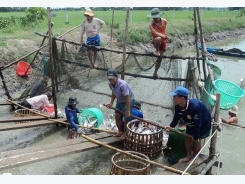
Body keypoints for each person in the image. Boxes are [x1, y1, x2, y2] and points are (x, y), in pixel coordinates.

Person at [165, 86, 211, 164]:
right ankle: (188, 156)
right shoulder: (177, 105)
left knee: (196, 139)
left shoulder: (194, 107)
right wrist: (171, 126)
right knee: (187, 137)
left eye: (175, 97)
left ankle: (194, 158)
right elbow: (176, 116)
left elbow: (198, 123)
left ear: (182, 98)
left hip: (203, 122)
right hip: (191, 121)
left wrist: (196, 136)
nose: (173, 98)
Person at [104, 68, 135, 137]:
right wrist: (111, 102)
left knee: (126, 118)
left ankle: (126, 134)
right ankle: (120, 132)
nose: (111, 81)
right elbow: (113, 92)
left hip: (128, 100)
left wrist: (127, 110)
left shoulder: (122, 85)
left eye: (112, 79)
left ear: (116, 77)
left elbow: (127, 98)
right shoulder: (110, 84)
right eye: (109, 79)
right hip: (120, 100)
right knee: (117, 116)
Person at [148, 8, 168, 79]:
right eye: (153, 17)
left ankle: (155, 73)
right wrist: (164, 36)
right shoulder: (151, 24)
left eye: (156, 17)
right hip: (156, 41)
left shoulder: (164, 21)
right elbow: (155, 33)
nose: (154, 19)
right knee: (158, 38)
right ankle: (157, 50)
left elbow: (164, 30)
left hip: (163, 41)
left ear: (159, 16)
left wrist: (165, 37)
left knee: (159, 59)